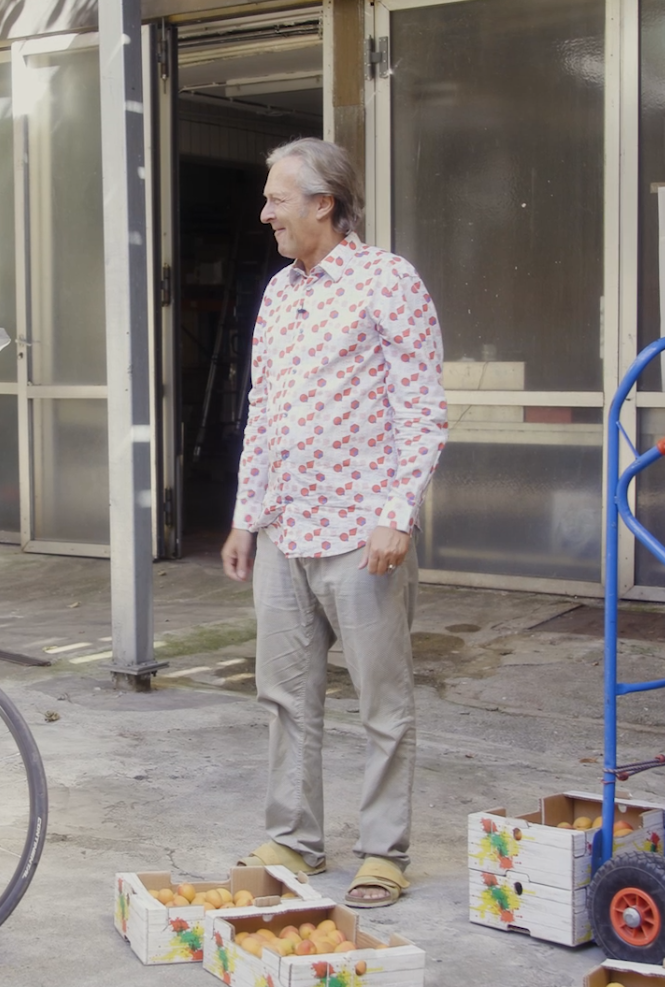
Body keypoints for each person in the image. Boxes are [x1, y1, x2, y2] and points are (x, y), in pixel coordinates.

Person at [222, 138, 447, 908]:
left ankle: (383, 849)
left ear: (324, 203)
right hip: (287, 529)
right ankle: (294, 836)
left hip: (363, 534)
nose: (265, 213)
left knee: (382, 701)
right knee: (285, 693)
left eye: (277, 198)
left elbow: (423, 410)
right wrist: (246, 519)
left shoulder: (389, 281)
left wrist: (398, 514)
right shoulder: (279, 292)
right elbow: (264, 415)